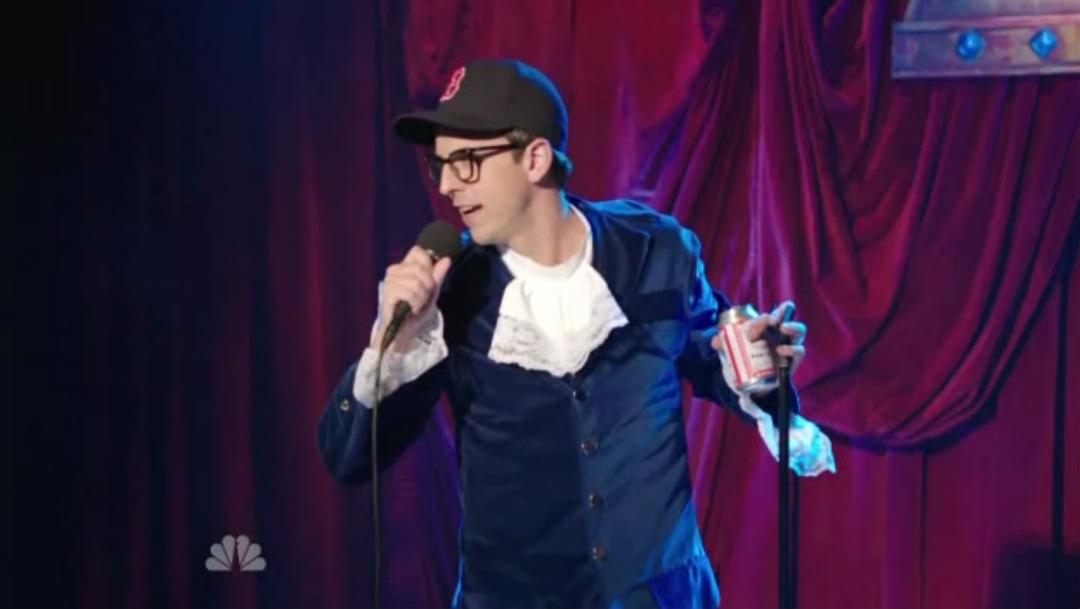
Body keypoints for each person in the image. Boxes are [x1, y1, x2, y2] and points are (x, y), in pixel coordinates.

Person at [318, 58, 834, 609]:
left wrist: (755, 365)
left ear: (535, 158)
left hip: (658, 595)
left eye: (466, 162)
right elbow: (350, 457)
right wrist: (393, 345)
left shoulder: (655, 250)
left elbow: (710, 355)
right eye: (439, 166)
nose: (447, 186)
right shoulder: (453, 292)